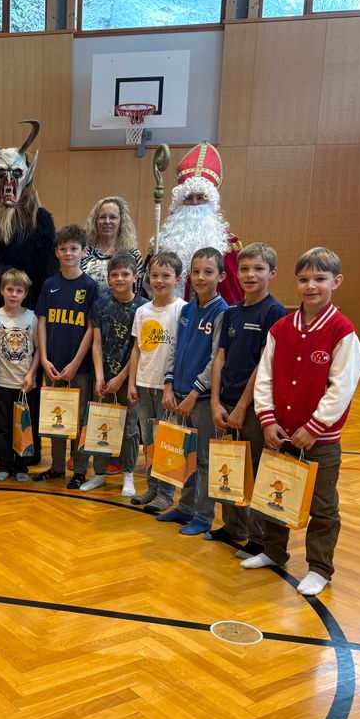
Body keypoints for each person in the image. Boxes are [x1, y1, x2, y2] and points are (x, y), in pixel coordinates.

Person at [246, 247, 360, 597]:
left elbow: (342, 387)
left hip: (320, 440)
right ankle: (273, 550)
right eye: (304, 279)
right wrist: (266, 419)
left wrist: (314, 427)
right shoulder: (282, 327)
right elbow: (263, 376)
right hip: (279, 432)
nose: (311, 286)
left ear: (336, 282)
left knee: (323, 506)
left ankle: (320, 568)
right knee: (274, 496)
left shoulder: (343, 331)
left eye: (320, 279)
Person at [207, 243, 287, 555]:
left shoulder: (274, 312)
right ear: (235, 273)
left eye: (258, 269)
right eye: (244, 269)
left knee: (253, 470)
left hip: (251, 408)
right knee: (229, 467)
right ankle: (233, 526)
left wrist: (242, 406)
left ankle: (257, 538)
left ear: (272, 273)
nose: (250, 275)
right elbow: (220, 358)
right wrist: (216, 401)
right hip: (225, 403)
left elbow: (264, 363)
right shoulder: (231, 313)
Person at [155, 248, 228, 534]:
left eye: (208, 272)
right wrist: (170, 384)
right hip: (179, 395)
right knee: (186, 456)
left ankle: (203, 515)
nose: (200, 277)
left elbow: (215, 360)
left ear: (221, 276)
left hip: (201, 399)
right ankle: (185, 507)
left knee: (205, 460)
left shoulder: (223, 312)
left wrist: (195, 392)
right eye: (196, 272)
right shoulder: (186, 309)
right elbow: (175, 348)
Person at [75, 252, 147, 497]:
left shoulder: (143, 307)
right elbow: (96, 343)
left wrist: (122, 378)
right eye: (114, 275)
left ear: (135, 277)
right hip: (103, 378)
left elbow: (138, 347)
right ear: (108, 277)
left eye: (125, 274)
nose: (119, 279)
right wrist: (99, 377)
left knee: (129, 429)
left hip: (129, 380)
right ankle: (99, 474)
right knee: (100, 424)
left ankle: (128, 474)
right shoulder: (101, 305)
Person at [32, 224, 99, 487]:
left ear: (84, 251)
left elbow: (91, 329)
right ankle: (57, 467)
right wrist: (45, 359)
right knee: (56, 417)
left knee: (80, 420)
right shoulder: (50, 285)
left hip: (79, 369)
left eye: (74, 248)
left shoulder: (90, 286)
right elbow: (41, 323)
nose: (68, 253)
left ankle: (80, 469)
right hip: (53, 366)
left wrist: (75, 363)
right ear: (56, 252)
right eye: (63, 249)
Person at [127, 251, 187, 512]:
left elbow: (182, 350)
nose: (159, 281)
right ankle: (152, 486)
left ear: (178, 278)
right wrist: (131, 382)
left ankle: (166, 491)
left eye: (166, 275)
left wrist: (171, 385)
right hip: (143, 383)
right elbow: (137, 349)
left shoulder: (183, 309)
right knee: (149, 440)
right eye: (154, 275)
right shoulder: (142, 310)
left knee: (167, 441)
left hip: (167, 388)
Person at [150, 142, 243, 306]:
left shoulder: (228, 246)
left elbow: (234, 295)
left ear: (210, 203)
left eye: (200, 198)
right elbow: (148, 287)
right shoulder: (162, 242)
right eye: (188, 197)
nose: (194, 203)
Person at [0, 268, 39, 482]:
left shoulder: (32, 317)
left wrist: (32, 374)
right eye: (10, 289)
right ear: (1, 291)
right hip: (2, 382)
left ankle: (22, 467)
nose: (14, 294)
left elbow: (37, 351)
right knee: (4, 427)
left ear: (25, 294)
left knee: (24, 426)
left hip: (26, 384)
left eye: (19, 290)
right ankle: (5, 464)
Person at [81, 196, 143, 292]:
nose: (107, 221)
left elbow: (138, 292)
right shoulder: (85, 253)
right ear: (95, 221)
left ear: (121, 221)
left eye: (113, 217)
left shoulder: (133, 254)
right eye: (102, 217)